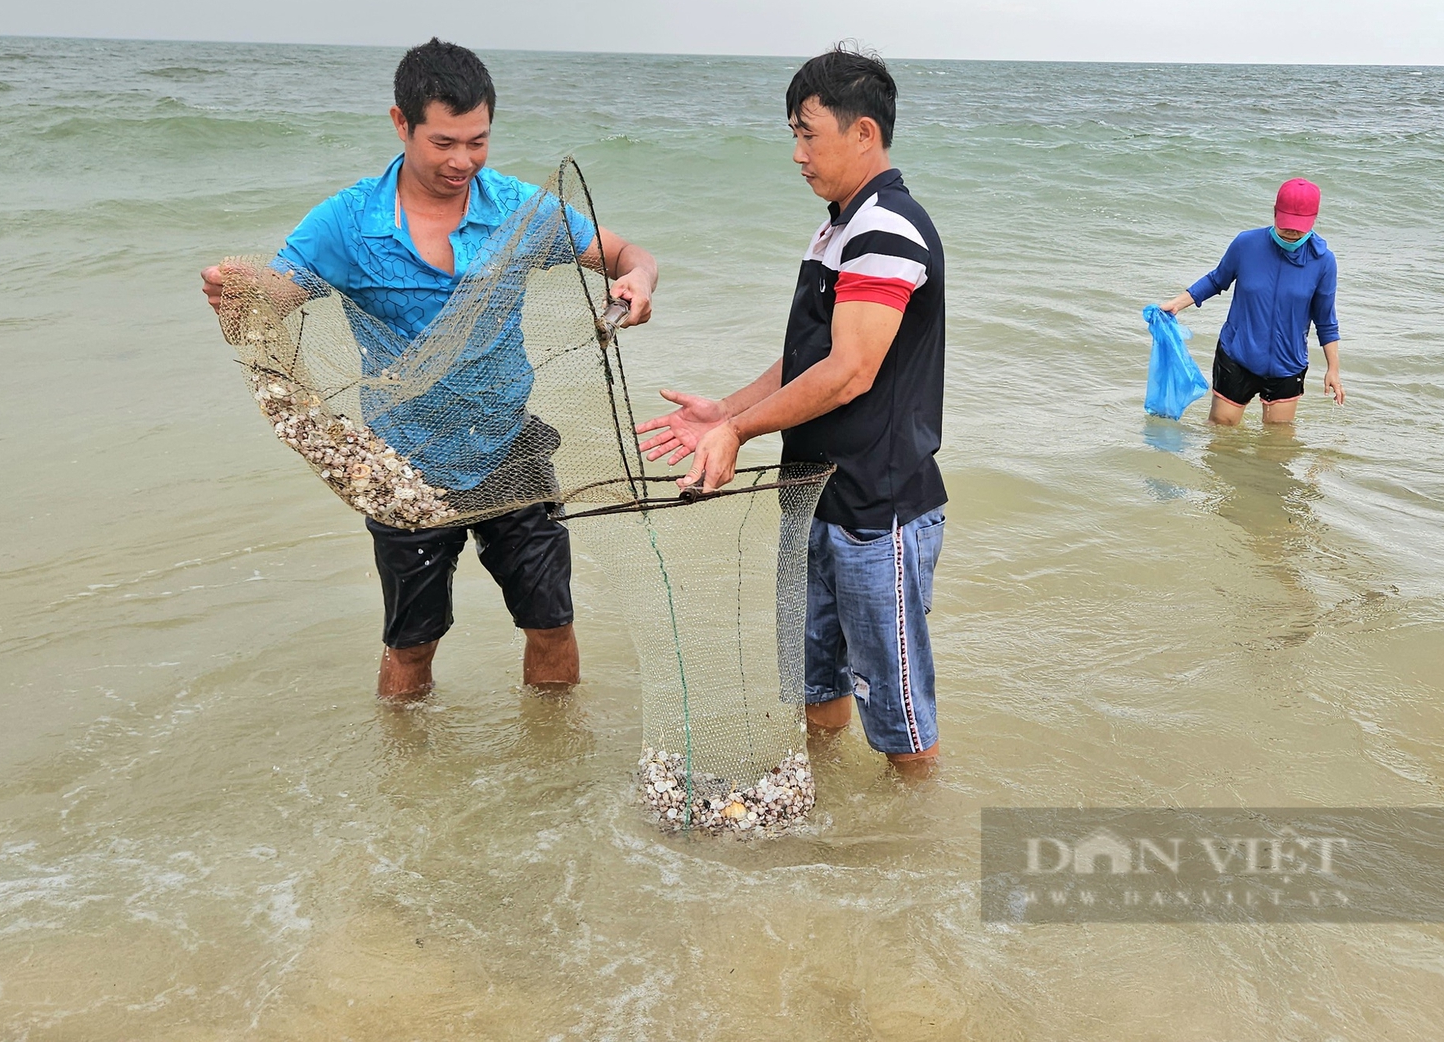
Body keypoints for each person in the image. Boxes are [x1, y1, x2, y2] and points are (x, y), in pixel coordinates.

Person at [200, 38, 659, 700]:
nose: (463, 160)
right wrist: (239, 295)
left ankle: (554, 776)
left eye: (478, 141)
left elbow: (626, 254)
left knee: (552, 626)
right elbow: (278, 296)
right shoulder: (347, 222)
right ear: (400, 124)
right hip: (400, 463)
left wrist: (638, 282)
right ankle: (409, 794)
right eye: (444, 142)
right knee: (410, 648)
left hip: (511, 448)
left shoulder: (519, 210)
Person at [634, 47, 946, 779]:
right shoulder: (840, 226)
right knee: (819, 685)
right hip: (812, 494)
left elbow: (849, 371)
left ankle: (910, 860)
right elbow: (812, 358)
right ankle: (821, 808)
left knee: (900, 720)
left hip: (877, 510)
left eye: (809, 134)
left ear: (863, 133)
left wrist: (738, 432)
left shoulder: (888, 228)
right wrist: (725, 409)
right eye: (793, 136)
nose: (798, 155)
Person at [1160, 178, 1344, 425]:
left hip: (1288, 364)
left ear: (1313, 219)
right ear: (1275, 211)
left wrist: (1333, 369)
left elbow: (1325, 320)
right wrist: (1178, 303)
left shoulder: (1323, 262)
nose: (1291, 232)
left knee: (1276, 445)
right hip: (1238, 355)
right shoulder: (1246, 244)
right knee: (1220, 431)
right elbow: (1217, 280)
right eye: (1287, 223)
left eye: (1299, 227)